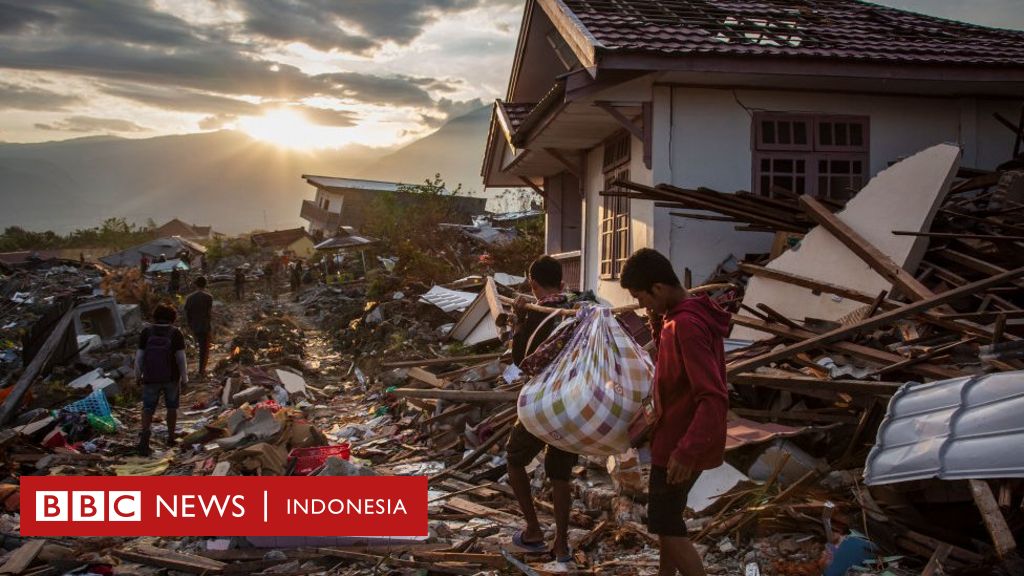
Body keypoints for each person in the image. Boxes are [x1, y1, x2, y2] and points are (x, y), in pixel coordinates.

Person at [619, 248, 729, 576]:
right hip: (671, 439)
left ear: (658, 288)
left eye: (642, 297)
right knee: (667, 522)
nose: (641, 305)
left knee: (667, 525)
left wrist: (686, 451)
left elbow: (713, 397)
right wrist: (656, 321)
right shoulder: (676, 317)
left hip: (681, 445)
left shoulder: (687, 325)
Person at [505, 255, 576, 563]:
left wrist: (518, 321)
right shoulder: (577, 309)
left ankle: (534, 530)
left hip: (542, 404)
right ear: (560, 281)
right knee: (561, 473)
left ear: (533, 285)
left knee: (514, 457)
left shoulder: (539, 314)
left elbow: (520, 360)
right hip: (574, 403)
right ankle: (561, 544)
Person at [134, 303, 188, 456]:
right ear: (172, 318)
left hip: (150, 377)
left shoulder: (146, 332)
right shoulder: (175, 333)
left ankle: (145, 436)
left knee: (148, 408)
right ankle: (171, 437)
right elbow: (181, 358)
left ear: (155, 316)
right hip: (171, 378)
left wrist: (138, 376)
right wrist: (185, 379)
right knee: (172, 408)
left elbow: (139, 356)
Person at [183, 276, 214, 380]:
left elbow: (187, 313)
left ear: (196, 284)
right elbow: (209, 313)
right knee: (204, 349)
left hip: (194, 326)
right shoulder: (208, 297)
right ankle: (201, 371)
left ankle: (197, 370)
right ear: (205, 284)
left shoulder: (190, 298)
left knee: (199, 347)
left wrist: (190, 325)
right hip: (205, 326)